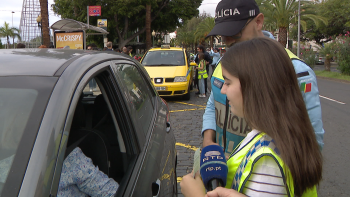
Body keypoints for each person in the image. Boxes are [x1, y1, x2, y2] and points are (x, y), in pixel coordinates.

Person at [181, 37, 322, 197]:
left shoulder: (266, 162)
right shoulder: (277, 138)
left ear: (254, 87)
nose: (223, 91)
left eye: (228, 83)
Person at [201, 0, 324, 158]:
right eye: (223, 35)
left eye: (234, 33)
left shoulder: (296, 71)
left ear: (258, 22)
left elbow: (312, 142)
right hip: (224, 171)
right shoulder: (224, 63)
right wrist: (208, 138)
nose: (227, 41)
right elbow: (213, 104)